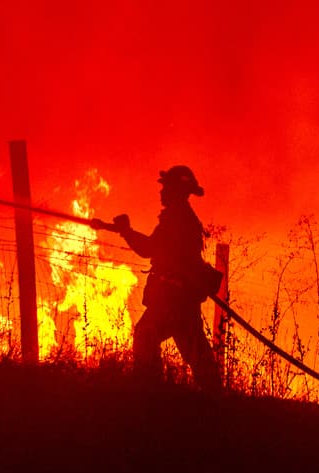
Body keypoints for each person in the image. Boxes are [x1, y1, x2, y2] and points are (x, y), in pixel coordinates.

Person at [94, 165, 223, 393]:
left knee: (146, 335)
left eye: (167, 188)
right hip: (180, 297)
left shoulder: (178, 219)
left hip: (173, 297)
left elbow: (150, 248)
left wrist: (126, 231)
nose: (162, 192)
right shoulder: (181, 217)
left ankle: (149, 391)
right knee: (195, 350)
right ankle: (219, 401)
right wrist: (125, 230)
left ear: (177, 191)